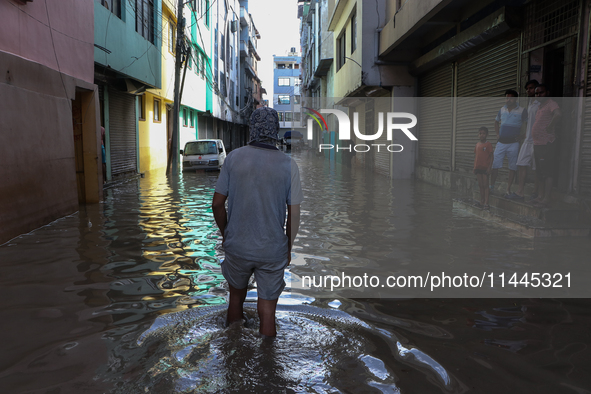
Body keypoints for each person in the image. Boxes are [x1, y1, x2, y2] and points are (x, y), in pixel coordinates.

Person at [212, 107, 303, 338]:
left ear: (252, 128)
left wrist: (226, 234)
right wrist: (289, 247)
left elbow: (216, 204)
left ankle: (232, 346)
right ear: (275, 131)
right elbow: (294, 214)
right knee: (267, 311)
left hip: (238, 246)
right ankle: (268, 361)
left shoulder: (233, 158)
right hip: (272, 250)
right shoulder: (289, 165)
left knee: (235, 299)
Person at [506, 80, 539, 201]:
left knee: (536, 167)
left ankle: (536, 191)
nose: (528, 91)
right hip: (528, 140)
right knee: (521, 163)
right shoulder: (530, 103)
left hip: (538, 141)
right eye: (527, 88)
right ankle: (520, 192)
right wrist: (524, 134)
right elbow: (530, 123)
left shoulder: (541, 103)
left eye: (531, 88)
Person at [490, 89, 528, 196]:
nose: (508, 100)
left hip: (513, 143)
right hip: (501, 142)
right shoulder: (502, 110)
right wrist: (497, 134)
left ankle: (508, 189)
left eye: (511, 98)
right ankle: (491, 187)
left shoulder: (522, 110)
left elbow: (529, 124)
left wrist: (523, 136)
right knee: (495, 165)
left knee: (512, 167)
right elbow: (496, 122)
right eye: (507, 97)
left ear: (515, 98)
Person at [531, 84, 561, 208]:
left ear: (547, 92)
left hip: (546, 144)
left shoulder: (551, 103)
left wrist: (550, 126)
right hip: (538, 144)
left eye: (541, 93)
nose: (539, 95)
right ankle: (540, 196)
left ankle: (546, 198)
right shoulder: (539, 106)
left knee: (547, 171)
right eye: (537, 93)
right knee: (540, 172)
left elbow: (558, 114)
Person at [473, 126, 494, 209]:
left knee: (486, 185)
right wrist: (474, 167)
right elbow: (476, 156)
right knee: (481, 185)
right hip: (478, 168)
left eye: (484, 134)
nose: (482, 135)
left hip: (485, 168)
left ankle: (486, 202)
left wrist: (489, 167)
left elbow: (492, 157)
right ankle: (481, 201)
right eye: (480, 133)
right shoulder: (477, 145)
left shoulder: (488, 145)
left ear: (487, 135)